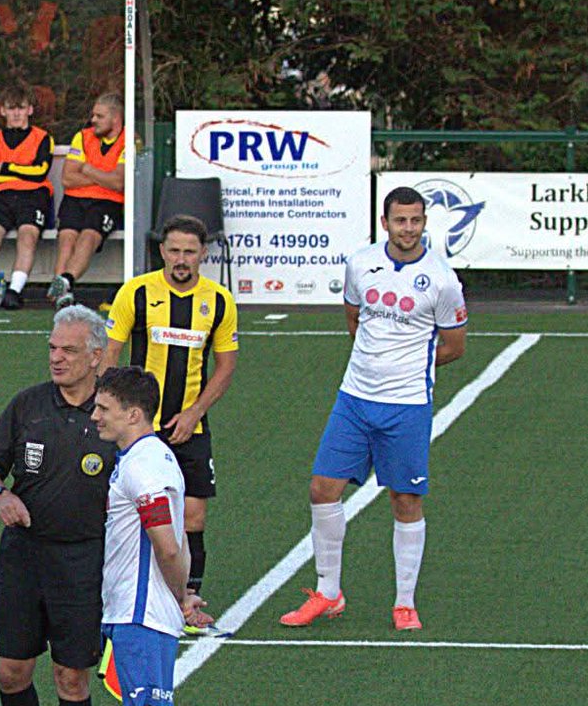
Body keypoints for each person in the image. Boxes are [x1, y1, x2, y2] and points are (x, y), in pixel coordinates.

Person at [280, 186, 467, 632]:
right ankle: (328, 592)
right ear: (384, 222)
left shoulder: (442, 279)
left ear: (425, 223)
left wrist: (407, 363)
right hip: (355, 399)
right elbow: (353, 318)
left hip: (407, 405)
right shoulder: (360, 263)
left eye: (416, 220)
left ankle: (404, 602)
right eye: (400, 220)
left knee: (405, 498)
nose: (408, 228)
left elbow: (455, 346)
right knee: (323, 488)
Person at [0, 305, 117, 706]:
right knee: (11, 671)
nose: (57, 358)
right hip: (23, 557)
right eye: (53, 349)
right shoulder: (27, 405)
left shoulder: (112, 412)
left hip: (83, 560)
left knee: (71, 676)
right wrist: (0, 495)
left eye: (69, 351)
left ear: (95, 356)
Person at [102, 214, 238, 631]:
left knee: (193, 517)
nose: (181, 259)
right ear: (161, 250)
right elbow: (109, 356)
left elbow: (226, 365)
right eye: (174, 250)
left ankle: (186, 602)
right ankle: (114, 591)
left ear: (203, 254)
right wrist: (113, 411)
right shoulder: (136, 293)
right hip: (137, 429)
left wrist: (195, 411)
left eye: (190, 251)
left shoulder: (218, 301)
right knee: (121, 511)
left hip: (189, 427)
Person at [91, 365, 195, 706]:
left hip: (141, 609)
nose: (95, 417)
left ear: (134, 414)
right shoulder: (144, 458)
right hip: (139, 607)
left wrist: (182, 597)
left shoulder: (144, 468)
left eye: (104, 409)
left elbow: (167, 545)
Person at [0, 84, 55, 311]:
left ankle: (14, 292)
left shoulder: (43, 138)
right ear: (2, 111)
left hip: (33, 197)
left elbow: (40, 172)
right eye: (11, 108)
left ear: (30, 110)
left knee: (27, 236)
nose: (16, 113)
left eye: (21, 108)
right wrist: (20, 172)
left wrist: (7, 167)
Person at [47, 94, 126, 310]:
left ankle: (65, 281)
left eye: (99, 116)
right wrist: (103, 177)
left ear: (116, 118)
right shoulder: (82, 137)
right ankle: (62, 294)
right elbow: (67, 178)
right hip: (75, 198)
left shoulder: (129, 140)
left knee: (89, 235)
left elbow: (119, 183)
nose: (93, 120)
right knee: (67, 238)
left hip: (107, 202)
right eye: (93, 115)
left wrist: (88, 169)